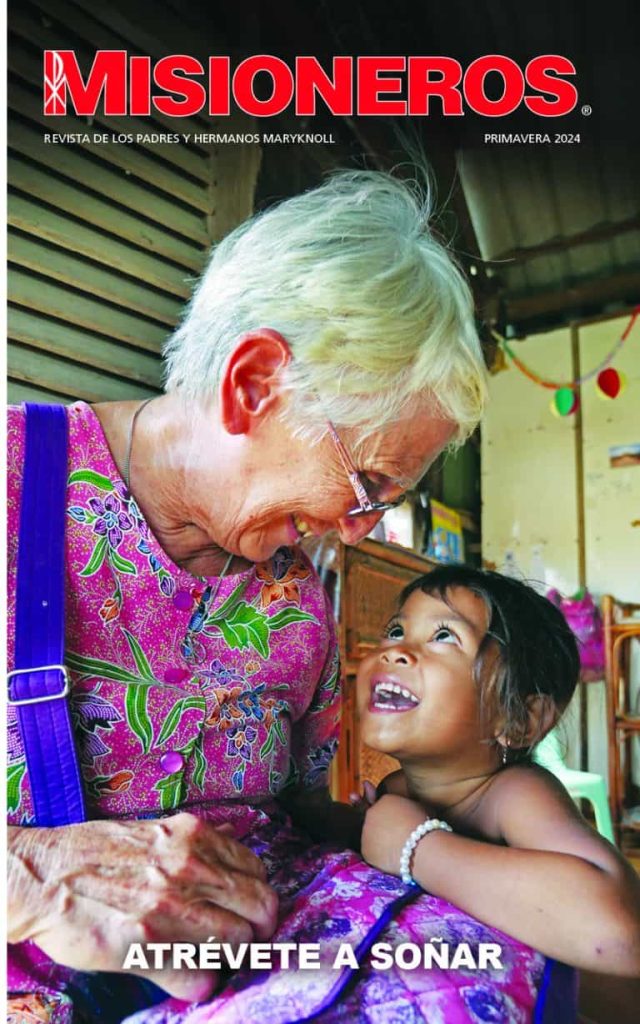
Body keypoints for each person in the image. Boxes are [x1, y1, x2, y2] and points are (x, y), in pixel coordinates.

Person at [7, 168, 518, 1024]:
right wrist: (31, 876)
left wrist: (474, 800)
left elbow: (315, 806)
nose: (356, 531)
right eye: (366, 483)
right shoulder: (11, 483)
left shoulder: (294, 590)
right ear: (254, 385)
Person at [358, 566, 640, 975]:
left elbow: (620, 936)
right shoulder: (398, 790)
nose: (394, 651)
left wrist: (418, 849)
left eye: (443, 636)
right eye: (396, 631)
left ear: (518, 720)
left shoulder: (517, 794)